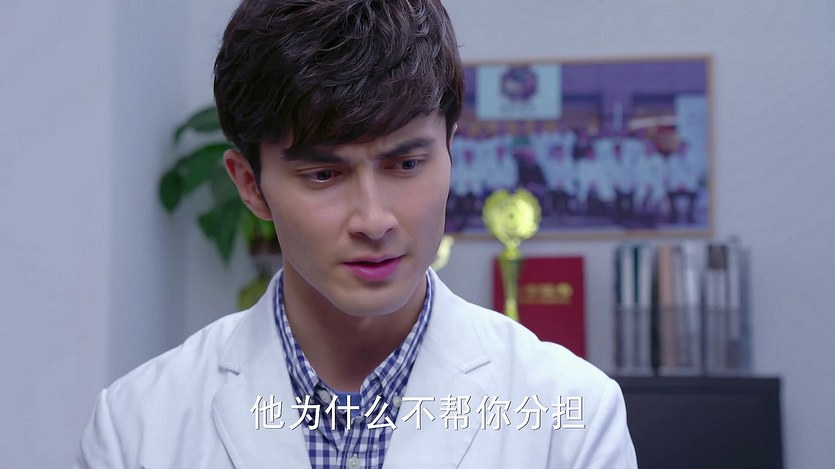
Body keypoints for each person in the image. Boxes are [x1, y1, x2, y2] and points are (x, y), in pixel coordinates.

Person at [75, 1, 637, 468]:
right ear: (250, 185)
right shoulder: (137, 428)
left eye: (406, 165)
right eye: (324, 174)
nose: (373, 219)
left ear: (450, 152)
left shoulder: (570, 416)